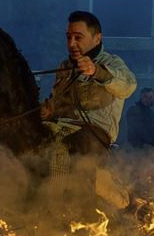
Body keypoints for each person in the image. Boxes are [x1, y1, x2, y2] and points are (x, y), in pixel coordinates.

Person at [40, 11, 137, 163]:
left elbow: (128, 86)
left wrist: (96, 71)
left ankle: (78, 186)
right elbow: (57, 102)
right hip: (59, 127)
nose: (71, 44)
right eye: (68, 37)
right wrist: (47, 110)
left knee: (76, 146)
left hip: (93, 134)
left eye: (78, 37)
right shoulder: (65, 67)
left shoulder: (112, 63)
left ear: (97, 38)